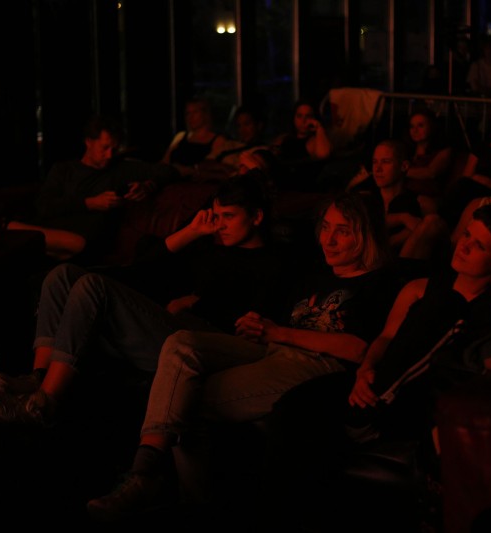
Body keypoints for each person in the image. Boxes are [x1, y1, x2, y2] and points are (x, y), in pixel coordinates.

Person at [84, 191, 409, 522]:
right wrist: (256, 324)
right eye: (326, 227)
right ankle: (145, 470)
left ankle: (189, 502)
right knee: (181, 343)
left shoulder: (381, 282)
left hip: (317, 365)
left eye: (343, 231)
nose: (329, 240)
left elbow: (359, 349)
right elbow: (277, 322)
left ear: (366, 235)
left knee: (186, 398)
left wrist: (279, 333)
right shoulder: (312, 273)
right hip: (273, 349)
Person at [259, 203, 491, 528]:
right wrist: (365, 371)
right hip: (369, 381)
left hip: (414, 402)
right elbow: (385, 338)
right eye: (466, 234)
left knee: (312, 434)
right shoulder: (420, 286)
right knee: (291, 412)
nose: (463, 246)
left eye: (478, 245)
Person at [0, 175, 290, 427]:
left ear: (257, 216)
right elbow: (144, 266)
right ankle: (38, 377)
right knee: (62, 274)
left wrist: (194, 303)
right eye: (217, 216)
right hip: (169, 323)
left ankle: (43, 404)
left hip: (201, 339)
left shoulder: (273, 263)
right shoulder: (209, 246)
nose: (220, 224)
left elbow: (251, 323)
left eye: (229, 217)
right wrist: (193, 230)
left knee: (92, 286)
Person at [8, 114, 176, 262]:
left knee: (78, 243)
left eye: (114, 149)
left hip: (83, 242)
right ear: (89, 142)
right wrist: (89, 203)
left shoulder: (121, 169)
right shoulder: (64, 170)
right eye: (105, 147)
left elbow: (168, 170)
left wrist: (148, 185)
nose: (109, 155)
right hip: (49, 230)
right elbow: (43, 207)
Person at [345, 138, 449, 267]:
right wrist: (402, 218)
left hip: (402, 267)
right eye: (375, 162)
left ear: (404, 166)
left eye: (385, 162)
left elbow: (430, 232)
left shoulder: (420, 202)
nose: (378, 169)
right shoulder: (365, 197)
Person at [440, 93, 491, 228]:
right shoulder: (481, 147)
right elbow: (466, 176)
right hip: (472, 192)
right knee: (461, 187)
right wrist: (476, 180)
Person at [193, 105, 270, 182]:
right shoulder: (229, 145)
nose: (242, 130)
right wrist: (224, 168)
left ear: (259, 125)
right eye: (239, 126)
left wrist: (212, 173)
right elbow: (203, 164)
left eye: (247, 124)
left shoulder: (264, 151)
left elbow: (245, 178)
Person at [161, 97, 229, 181]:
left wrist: (189, 170)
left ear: (204, 114)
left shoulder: (217, 140)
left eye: (195, 112)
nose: (191, 117)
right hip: (171, 180)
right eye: (188, 113)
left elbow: (213, 167)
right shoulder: (181, 136)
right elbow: (164, 162)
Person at [403, 107, 454, 200]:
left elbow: (431, 172)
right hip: (404, 194)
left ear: (432, 126)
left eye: (420, 126)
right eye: (412, 126)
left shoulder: (443, 150)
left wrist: (400, 171)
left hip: (428, 197)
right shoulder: (406, 150)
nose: (415, 130)